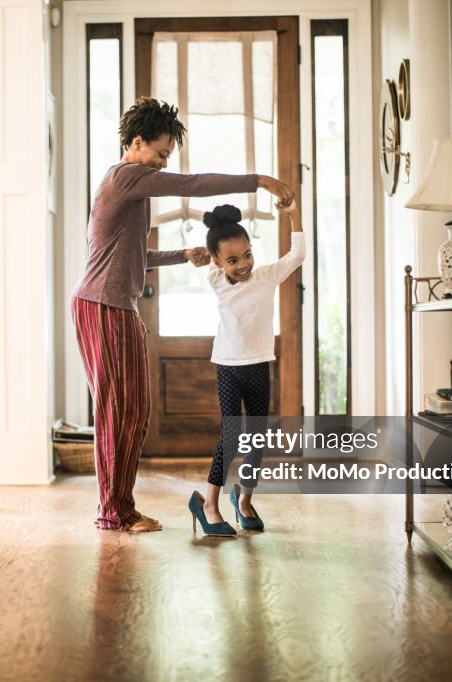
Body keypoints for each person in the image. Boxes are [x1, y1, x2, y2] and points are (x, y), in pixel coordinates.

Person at [72, 97, 295, 533]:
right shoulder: (125, 177)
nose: (161, 165)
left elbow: (136, 255)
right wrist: (259, 180)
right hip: (101, 306)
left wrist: (182, 255)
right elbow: (192, 185)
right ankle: (111, 513)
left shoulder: (131, 188)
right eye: (159, 154)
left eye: (166, 158)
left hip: (119, 305)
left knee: (135, 412)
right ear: (136, 143)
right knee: (117, 412)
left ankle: (123, 506)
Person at [188, 201, 305, 535]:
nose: (243, 264)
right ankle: (208, 504)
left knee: (256, 436)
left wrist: (293, 215)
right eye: (233, 260)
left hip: (258, 365)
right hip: (227, 365)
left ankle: (243, 500)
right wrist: (192, 255)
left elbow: (296, 256)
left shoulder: (267, 275)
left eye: (247, 254)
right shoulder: (215, 277)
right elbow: (197, 258)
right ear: (218, 261)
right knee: (231, 433)